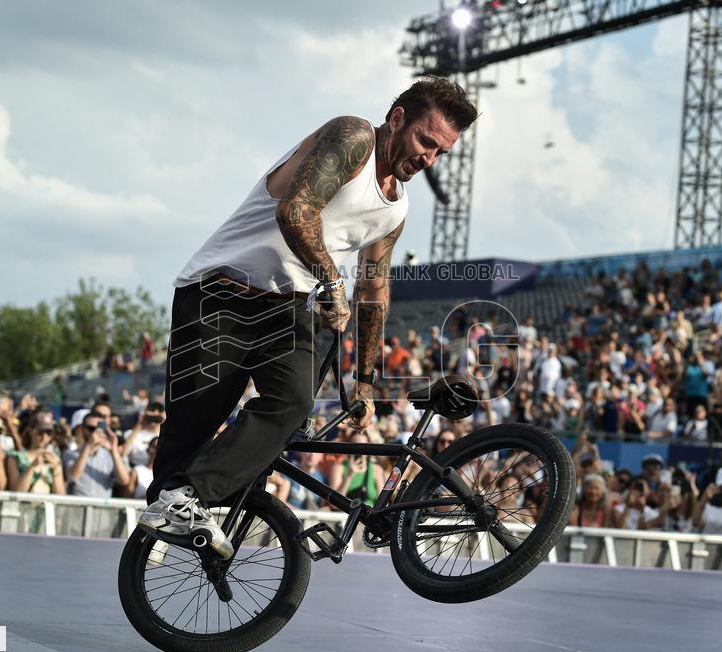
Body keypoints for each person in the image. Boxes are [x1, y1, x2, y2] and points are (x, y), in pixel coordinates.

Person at [140, 78, 478, 558]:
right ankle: (169, 505)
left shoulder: (395, 208)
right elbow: (295, 210)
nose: (429, 160)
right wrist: (332, 282)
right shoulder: (353, 137)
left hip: (285, 306)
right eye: (427, 142)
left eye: (441, 152)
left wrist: (364, 379)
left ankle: (188, 499)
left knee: (294, 401)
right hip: (219, 291)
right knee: (191, 428)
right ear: (398, 118)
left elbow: (374, 289)